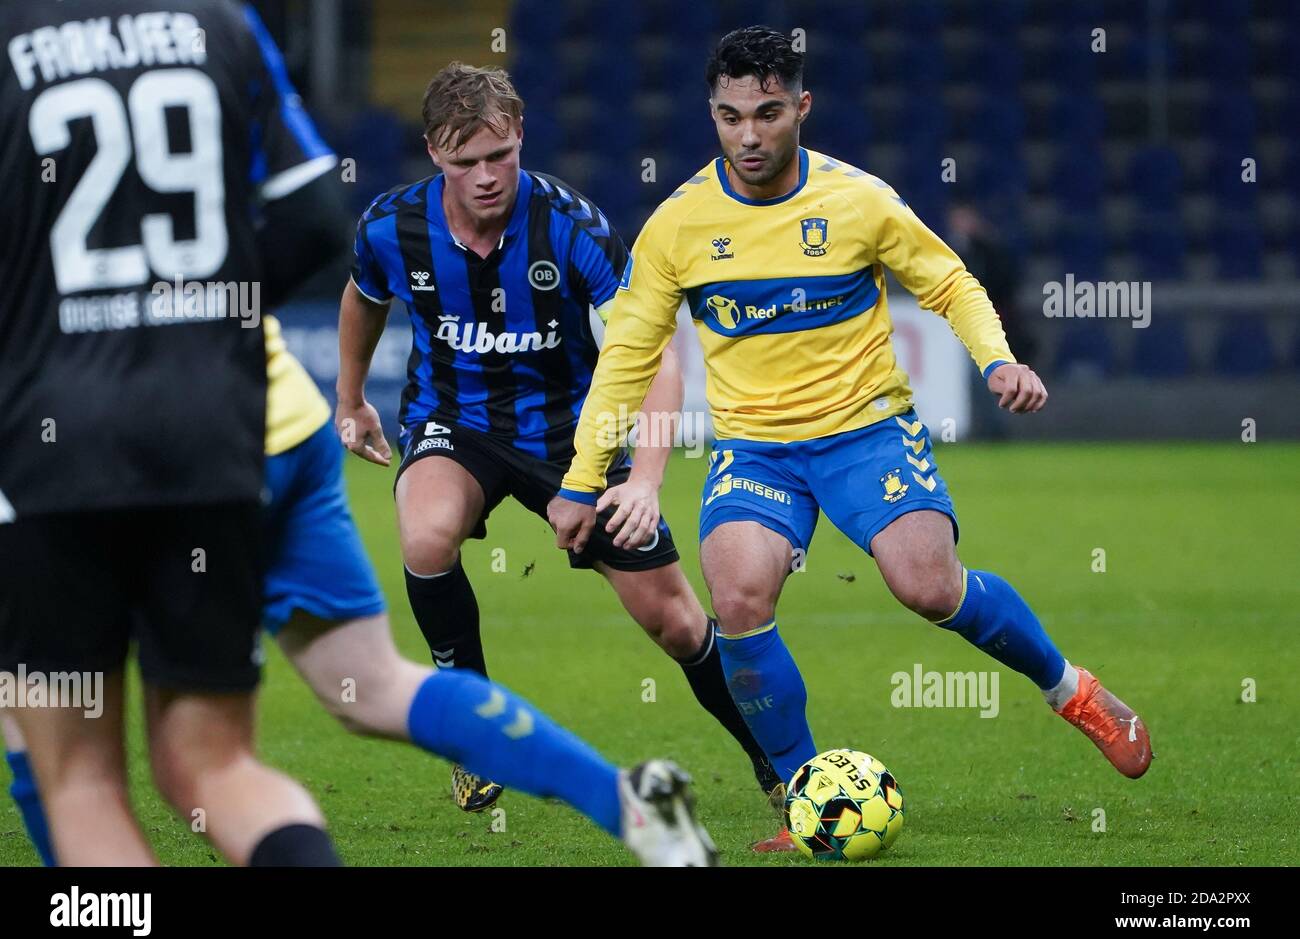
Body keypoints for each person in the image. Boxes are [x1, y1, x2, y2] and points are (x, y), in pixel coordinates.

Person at [548, 26, 1153, 853]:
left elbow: (948, 282)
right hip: (756, 449)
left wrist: (997, 359)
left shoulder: (859, 200)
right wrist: (584, 480)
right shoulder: (677, 226)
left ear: (802, 106)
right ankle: (806, 801)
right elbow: (625, 360)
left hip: (866, 431)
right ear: (712, 115)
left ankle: (1072, 689)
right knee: (737, 596)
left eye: (767, 113)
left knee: (928, 588)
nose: (749, 136)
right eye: (729, 117)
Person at [1, 314, 719, 867]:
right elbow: (309, 230)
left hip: (115, 455)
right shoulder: (234, 114)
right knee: (369, 685)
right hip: (278, 422)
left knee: (96, 767)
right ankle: (623, 800)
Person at [335, 62, 782, 822]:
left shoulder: (572, 227)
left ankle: (777, 764)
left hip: (577, 435)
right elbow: (364, 297)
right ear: (433, 154)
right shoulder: (391, 226)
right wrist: (350, 402)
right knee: (426, 535)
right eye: (464, 162)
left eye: (500, 156)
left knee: (674, 622)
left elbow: (656, 354)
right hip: (456, 421)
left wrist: (641, 479)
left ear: (520, 137)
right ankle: (472, 733)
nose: (485, 176)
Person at [0, 0, 346, 865]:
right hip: (212, 437)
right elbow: (314, 224)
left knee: (80, 785)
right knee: (219, 769)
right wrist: (199, 319)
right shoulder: (222, 25)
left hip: (53, 446)